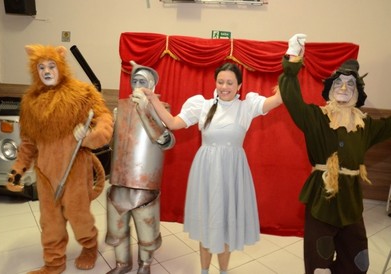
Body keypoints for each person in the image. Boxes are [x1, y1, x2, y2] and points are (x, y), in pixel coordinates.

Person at [133, 62, 283, 274]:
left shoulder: (246, 106)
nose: (224, 86)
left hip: (232, 172)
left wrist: (292, 63)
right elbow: (173, 123)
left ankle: (223, 271)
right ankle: (204, 271)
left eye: (230, 82)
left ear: (239, 85)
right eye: (220, 81)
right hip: (207, 171)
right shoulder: (201, 105)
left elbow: (278, 99)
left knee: (225, 226)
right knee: (207, 224)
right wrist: (152, 99)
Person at [279, 34, 391, 273]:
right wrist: (292, 58)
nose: (343, 87)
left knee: (357, 256)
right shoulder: (316, 118)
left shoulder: (365, 125)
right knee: (319, 256)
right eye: (339, 82)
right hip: (322, 198)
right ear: (330, 89)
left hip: (351, 201)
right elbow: (291, 97)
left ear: (357, 93)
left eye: (350, 83)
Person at [5, 44, 114, 274]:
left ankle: (89, 247)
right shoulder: (30, 104)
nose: (46, 71)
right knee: (50, 223)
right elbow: (27, 144)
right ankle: (54, 264)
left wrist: (89, 136)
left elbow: (104, 121)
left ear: (60, 66)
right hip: (45, 175)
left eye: (51, 66)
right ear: (35, 71)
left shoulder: (82, 94)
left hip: (75, 171)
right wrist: (17, 170)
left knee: (79, 217)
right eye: (41, 67)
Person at [105, 61, 175, 274]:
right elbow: (112, 142)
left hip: (144, 183)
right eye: (134, 80)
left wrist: (146, 111)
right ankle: (122, 264)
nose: (137, 85)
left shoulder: (162, 110)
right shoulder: (121, 107)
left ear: (153, 85)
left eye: (142, 81)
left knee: (146, 232)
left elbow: (167, 141)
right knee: (118, 229)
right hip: (119, 180)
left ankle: (145, 265)